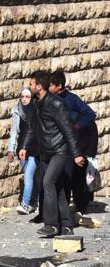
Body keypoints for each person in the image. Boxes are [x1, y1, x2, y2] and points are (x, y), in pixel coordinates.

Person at [19, 71, 85, 237]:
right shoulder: (34, 104)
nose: (29, 87)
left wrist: (76, 153)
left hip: (59, 150)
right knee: (59, 188)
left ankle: (51, 224)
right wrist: (25, 146)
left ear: (39, 87)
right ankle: (67, 224)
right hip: (45, 152)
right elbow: (32, 128)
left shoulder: (56, 103)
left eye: (32, 84)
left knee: (48, 182)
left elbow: (68, 129)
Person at [49, 70, 98, 214]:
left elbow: (90, 113)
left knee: (75, 177)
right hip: (59, 143)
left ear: (59, 86)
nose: (48, 87)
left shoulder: (72, 99)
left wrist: (77, 125)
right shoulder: (49, 99)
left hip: (75, 144)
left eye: (51, 85)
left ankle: (80, 206)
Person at [7, 87, 39, 215]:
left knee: (29, 175)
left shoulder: (36, 110)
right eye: (22, 96)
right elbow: (15, 131)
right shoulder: (17, 111)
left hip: (35, 147)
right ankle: (35, 201)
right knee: (30, 175)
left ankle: (25, 203)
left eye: (27, 97)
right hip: (22, 148)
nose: (24, 99)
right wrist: (11, 150)